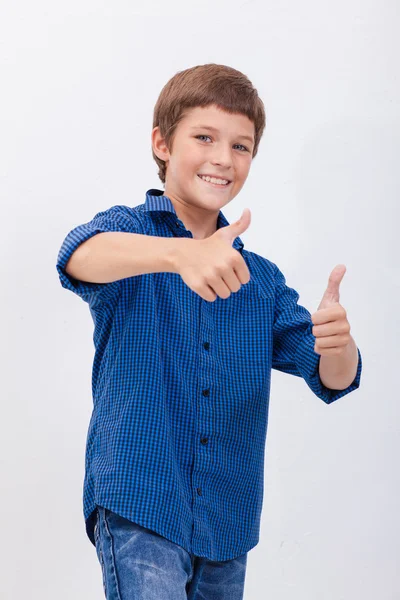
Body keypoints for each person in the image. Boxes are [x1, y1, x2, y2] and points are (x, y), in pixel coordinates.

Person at [56, 63, 362, 599]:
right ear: (162, 143)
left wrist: (341, 346)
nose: (223, 158)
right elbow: (77, 254)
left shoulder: (259, 279)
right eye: (204, 137)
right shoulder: (130, 235)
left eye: (241, 146)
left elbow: (331, 377)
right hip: (139, 499)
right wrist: (180, 254)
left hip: (227, 519)